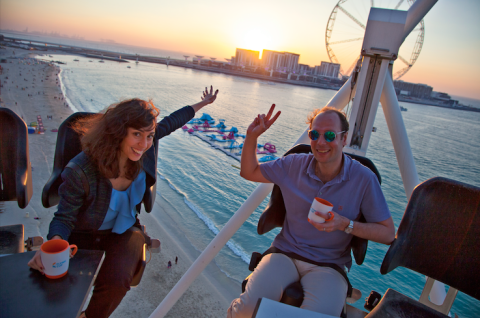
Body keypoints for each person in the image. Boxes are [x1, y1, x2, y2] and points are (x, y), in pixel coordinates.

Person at [28, 86, 219, 318]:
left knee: (118, 280)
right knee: (58, 289)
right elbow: (64, 217)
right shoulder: (81, 170)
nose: (144, 144)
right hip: (83, 233)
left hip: (123, 231)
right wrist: (54, 246)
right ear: (118, 132)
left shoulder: (143, 150)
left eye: (149, 136)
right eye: (136, 134)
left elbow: (172, 121)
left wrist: (203, 104)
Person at [228, 105, 395, 317]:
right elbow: (249, 171)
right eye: (314, 134)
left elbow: (388, 233)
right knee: (246, 310)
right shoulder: (293, 165)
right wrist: (252, 137)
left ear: (344, 139)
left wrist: (345, 224)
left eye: (330, 135)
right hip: (284, 253)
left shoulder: (364, 179)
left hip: (329, 265)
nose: (321, 142)